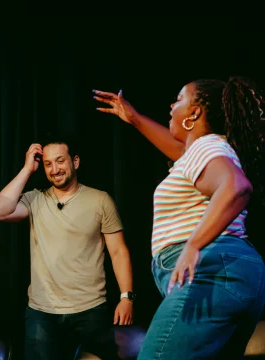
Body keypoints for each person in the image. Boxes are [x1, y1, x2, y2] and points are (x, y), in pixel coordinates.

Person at [93, 76, 265, 359]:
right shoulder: (201, 152)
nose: (171, 106)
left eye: (179, 99)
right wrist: (134, 118)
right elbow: (181, 152)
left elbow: (237, 187)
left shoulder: (205, 147)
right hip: (236, 272)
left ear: (195, 112)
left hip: (213, 269)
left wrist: (193, 246)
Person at [0, 135, 134, 359]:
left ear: (75, 162)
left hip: (91, 309)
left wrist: (127, 297)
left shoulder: (100, 200)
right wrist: (28, 169)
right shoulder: (35, 199)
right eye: (48, 164)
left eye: (60, 161)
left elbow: (118, 252)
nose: (54, 169)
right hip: (42, 314)